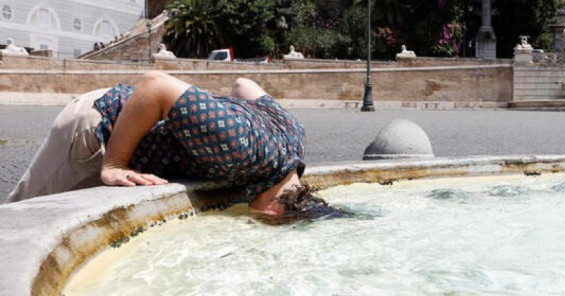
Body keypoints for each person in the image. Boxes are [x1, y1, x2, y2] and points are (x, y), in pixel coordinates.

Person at [5, 71, 331, 221]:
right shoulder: (239, 148)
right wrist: (115, 164)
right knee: (20, 224)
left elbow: (243, 84)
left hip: (123, 124)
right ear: (273, 209)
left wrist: (205, 117)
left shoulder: (294, 137)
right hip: (94, 126)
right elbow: (156, 84)